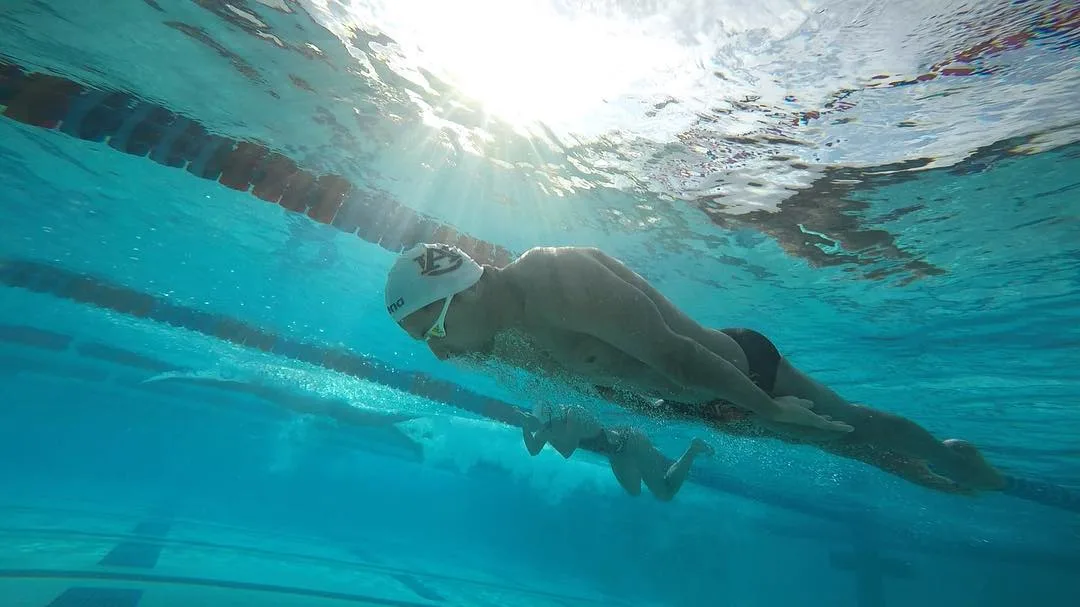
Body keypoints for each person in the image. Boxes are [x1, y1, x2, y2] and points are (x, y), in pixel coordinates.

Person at [384, 243, 1005, 491]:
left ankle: (956, 459)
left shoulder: (559, 280)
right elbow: (606, 384)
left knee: (851, 424)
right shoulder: (499, 339)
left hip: (735, 370)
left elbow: (676, 356)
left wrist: (767, 408)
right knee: (842, 447)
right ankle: (937, 472)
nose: (439, 351)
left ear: (463, 291)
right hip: (698, 400)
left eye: (433, 329)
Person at [521, 403, 713, 501]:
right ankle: (656, 460)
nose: (544, 431)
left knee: (664, 493)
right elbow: (533, 450)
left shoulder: (572, 416)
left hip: (631, 442)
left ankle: (692, 450)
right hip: (617, 454)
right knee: (634, 492)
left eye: (547, 427)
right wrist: (524, 427)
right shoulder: (547, 426)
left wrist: (543, 434)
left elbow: (567, 451)